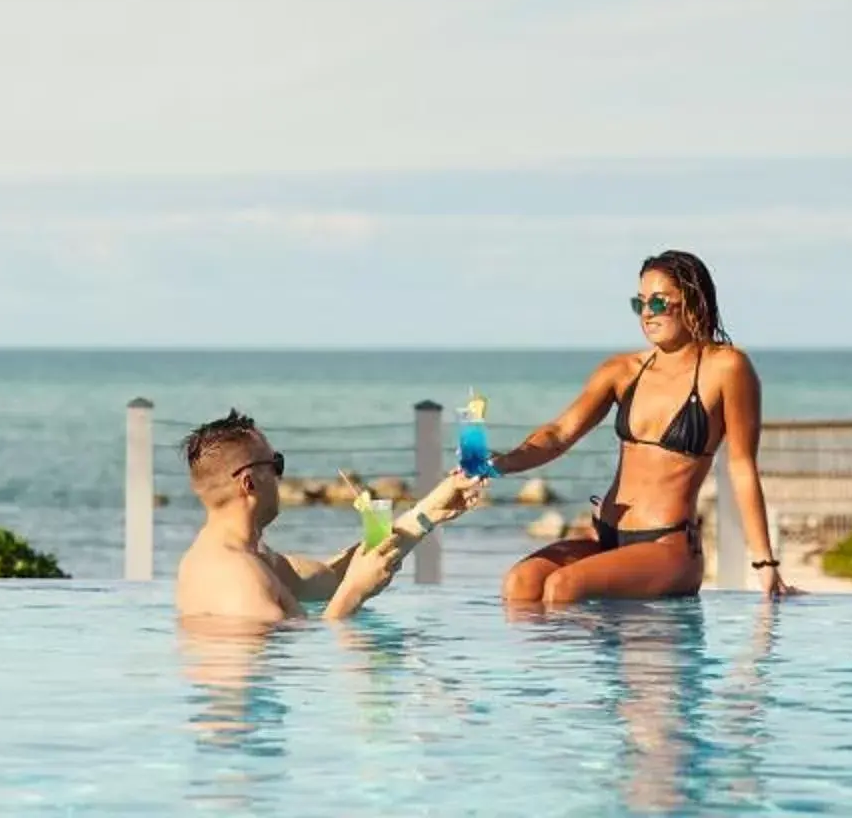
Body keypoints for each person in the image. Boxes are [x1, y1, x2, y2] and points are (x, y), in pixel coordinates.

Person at [478, 250, 790, 603]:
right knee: (520, 583)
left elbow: (742, 467)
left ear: (692, 301)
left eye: (658, 303)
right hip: (609, 538)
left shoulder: (727, 368)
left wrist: (764, 562)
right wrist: (499, 464)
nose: (646, 314)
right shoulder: (623, 370)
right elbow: (560, 433)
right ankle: (553, 661)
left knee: (563, 588)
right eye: (639, 303)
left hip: (668, 547)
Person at [173, 410, 481, 622]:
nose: (281, 477)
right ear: (249, 483)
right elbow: (303, 658)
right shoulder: (236, 576)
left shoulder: (257, 558)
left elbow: (334, 579)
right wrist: (355, 593)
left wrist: (431, 511)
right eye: (276, 464)